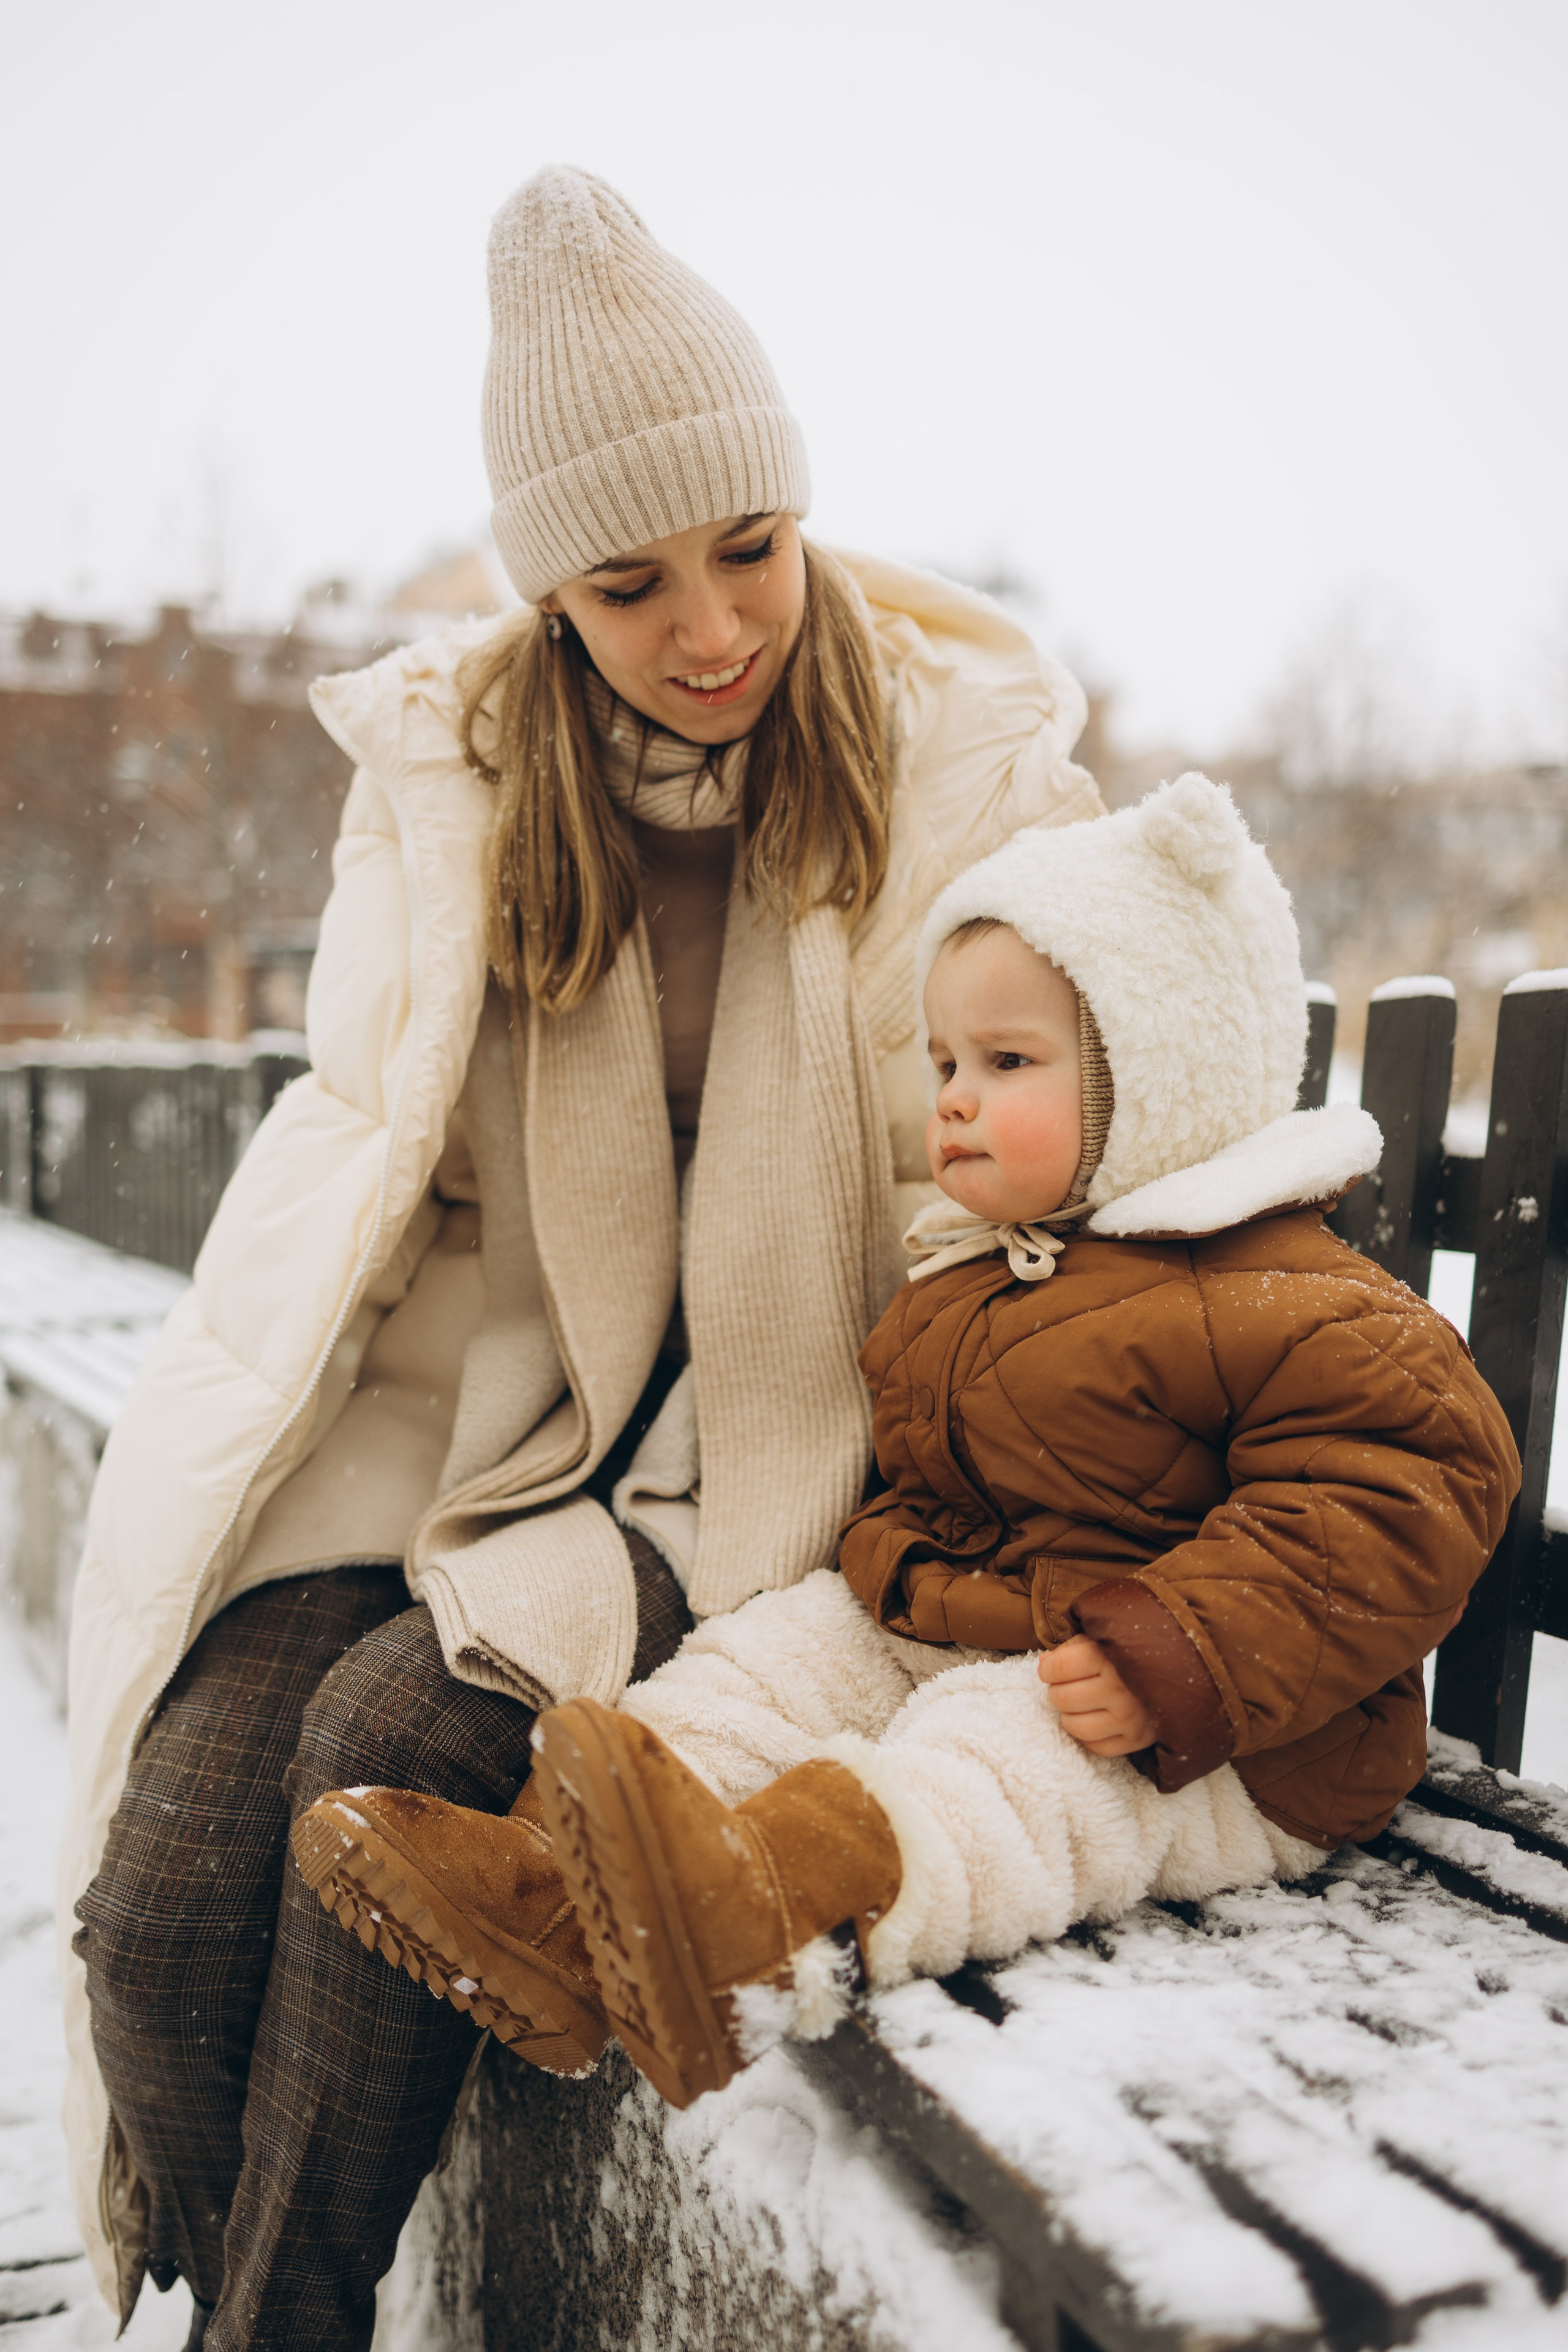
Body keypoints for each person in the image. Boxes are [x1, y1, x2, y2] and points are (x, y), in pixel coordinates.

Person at [58, 167, 1102, 2350]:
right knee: (159, 1895)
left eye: (752, 548)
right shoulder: (458, 789)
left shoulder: (951, 775)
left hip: (769, 1475)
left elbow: (1014, 1171)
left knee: (380, 1758)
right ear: (549, 599)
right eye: (632, 587)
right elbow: (373, 1176)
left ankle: (283, 2324)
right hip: (494, 1433)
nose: (716, 629)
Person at [295, 772, 1519, 2111]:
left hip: (1226, 1739)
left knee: (984, 1765)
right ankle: (546, 1903)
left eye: (1004, 1064)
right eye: (943, 1063)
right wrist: (880, 1581)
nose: (949, 1099)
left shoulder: (1288, 1299)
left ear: (1152, 1077)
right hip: (983, 1630)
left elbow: (1405, 1495)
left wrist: (1176, 1653)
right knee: (757, 1671)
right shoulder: (984, 1277)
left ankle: (758, 1934)